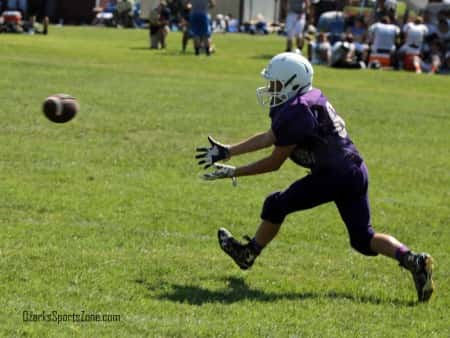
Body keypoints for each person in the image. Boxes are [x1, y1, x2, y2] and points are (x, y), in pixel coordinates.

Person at [195, 52, 434, 303]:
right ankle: (412, 260)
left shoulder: (296, 112)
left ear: (291, 82)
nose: (270, 88)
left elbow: (274, 162)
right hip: (355, 170)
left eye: (274, 83)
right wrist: (229, 151)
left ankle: (249, 253)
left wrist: (236, 171)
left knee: (276, 204)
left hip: (333, 175)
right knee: (363, 239)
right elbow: (269, 137)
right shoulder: (308, 98)